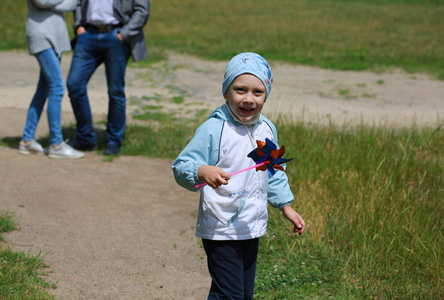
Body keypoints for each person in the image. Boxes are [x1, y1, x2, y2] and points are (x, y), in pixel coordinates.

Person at [172, 52, 306, 300]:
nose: (248, 99)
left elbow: (272, 169)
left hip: (250, 226)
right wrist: (201, 170)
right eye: (240, 90)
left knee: (243, 294)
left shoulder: (266, 128)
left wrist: (285, 206)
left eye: (258, 92)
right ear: (226, 92)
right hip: (221, 226)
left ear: (266, 95)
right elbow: (181, 166)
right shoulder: (215, 128)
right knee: (230, 295)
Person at [66, 0, 150, 155]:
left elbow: (142, 10)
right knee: (74, 84)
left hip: (116, 36)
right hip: (87, 36)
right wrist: (79, 26)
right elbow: (78, 3)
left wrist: (124, 34)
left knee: (115, 90)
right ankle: (85, 138)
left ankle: (113, 140)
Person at [20, 0, 84, 159]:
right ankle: (56, 144)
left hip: (55, 36)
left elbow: (73, 4)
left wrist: (54, 4)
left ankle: (27, 140)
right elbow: (42, 2)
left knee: (44, 89)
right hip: (41, 36)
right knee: (57, 86)